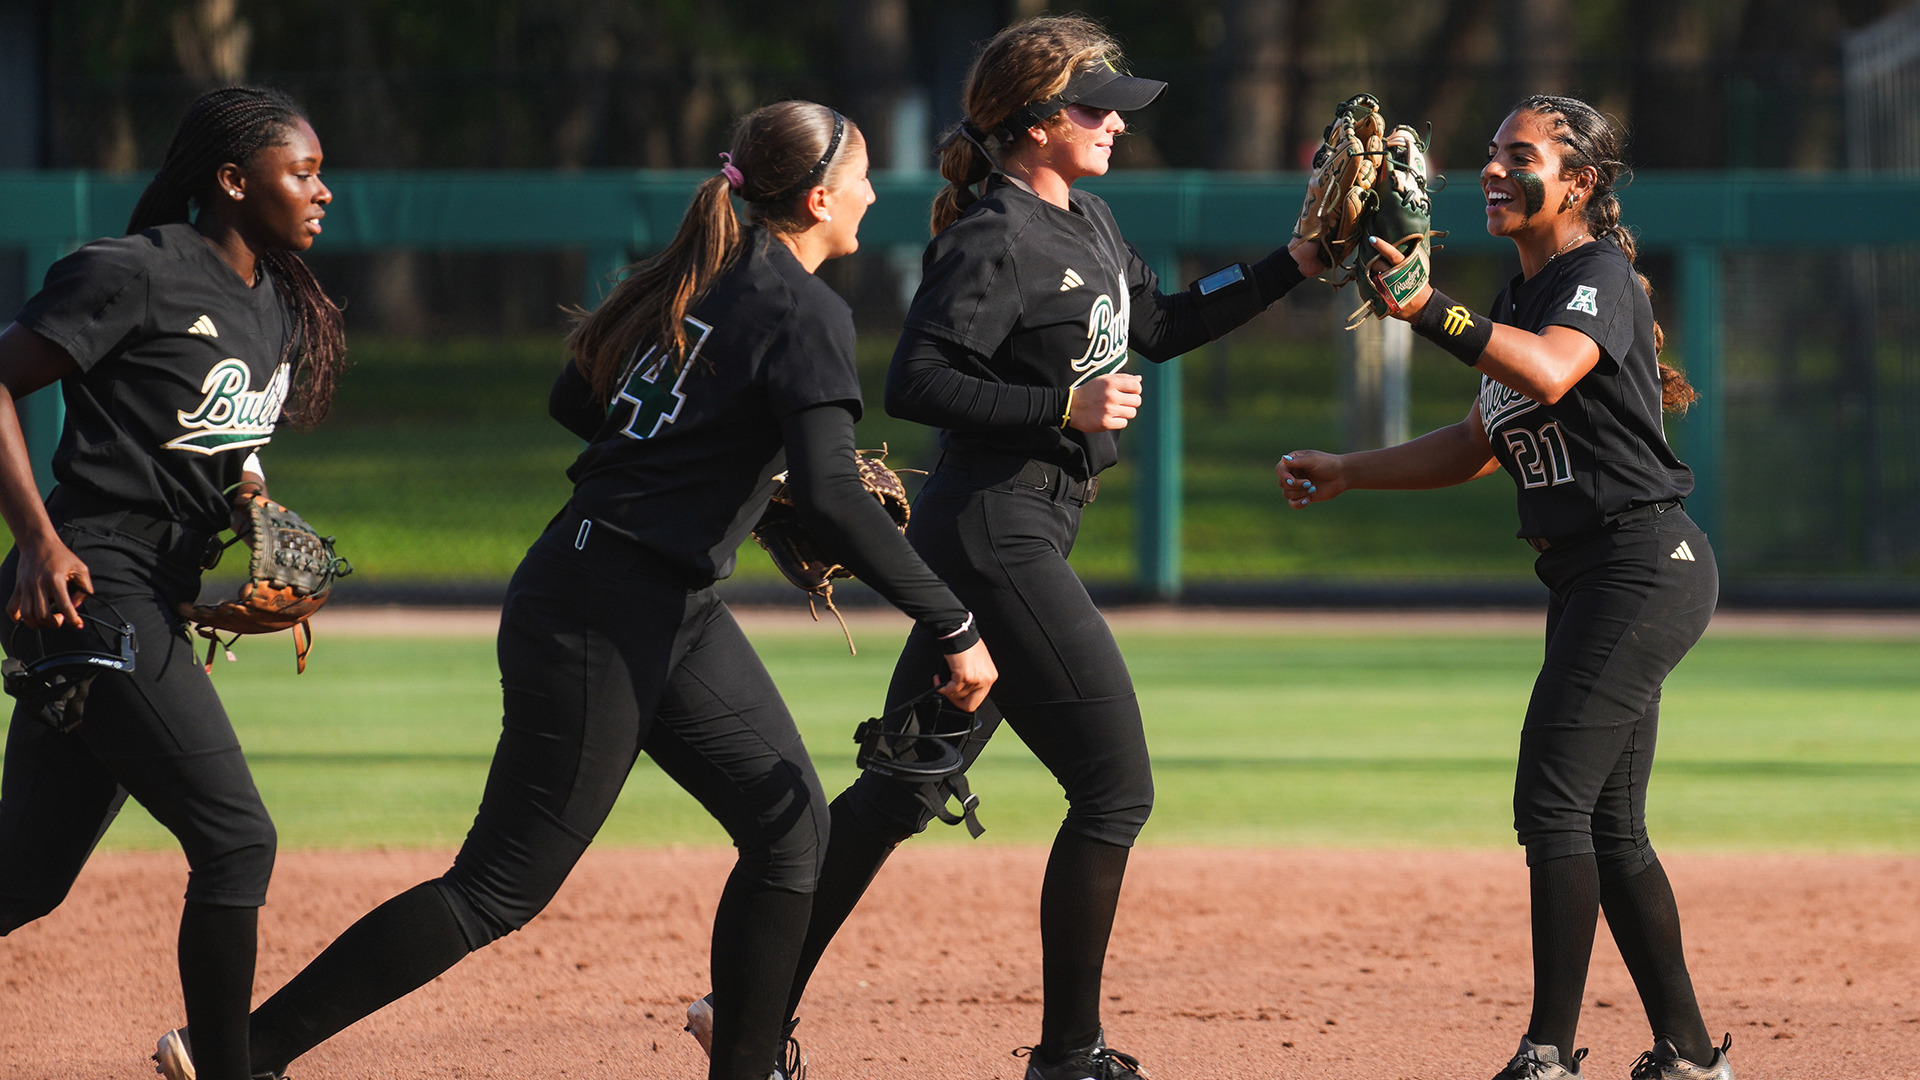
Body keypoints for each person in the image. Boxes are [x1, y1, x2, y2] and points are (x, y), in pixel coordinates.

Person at [148, 100, 996, 1080]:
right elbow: (841, 503)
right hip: (603, 609)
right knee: (499, 886)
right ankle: (240, 1052)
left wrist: (710, 474)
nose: (871, 196)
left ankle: (750, 1062)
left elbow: (574, 400)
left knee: (789, 827)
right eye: (858, 179)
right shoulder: (806, 310)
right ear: (816, 198)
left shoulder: (699, 272)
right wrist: (954, 624)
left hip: (655, 599)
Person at [680, 17, 1322, 1080]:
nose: (1116, 120)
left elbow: (1157, 326)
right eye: (1092, 103)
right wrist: (1056, 407)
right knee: (1115, 790)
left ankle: (740, 1009)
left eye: (1117, 104)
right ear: (1029, 122)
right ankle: (1071, 1055)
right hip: (993, 532)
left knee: (901, 785)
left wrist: (1292, 264)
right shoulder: (992, 235)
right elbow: (917, 381)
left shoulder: (1093, 221)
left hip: (1013, 529)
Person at [1276, 94, 1735, 1080]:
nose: (1491, 169)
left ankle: (1548, 1055)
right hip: (1594, 574)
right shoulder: (1527, 295)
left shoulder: (1595, 276)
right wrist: (1354, 468)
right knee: (1608, 827)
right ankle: (1691, 1058)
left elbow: (1554, 373)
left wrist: (1428, 311)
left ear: (1583, 180)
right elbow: (1484, 441)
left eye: (1518, 154)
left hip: (1643, 564)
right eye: (1487, 153)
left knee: (1552, 804)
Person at [0, 87, 346, 1080]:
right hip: (85, 576)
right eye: (304, 171)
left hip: (151, 585)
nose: (324, 192)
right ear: (233, 181)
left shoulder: (274, 303)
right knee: (238, 841)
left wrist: (261, 520)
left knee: (21, 877)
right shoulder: (133, 272)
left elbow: (224, 445)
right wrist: (34, 538)